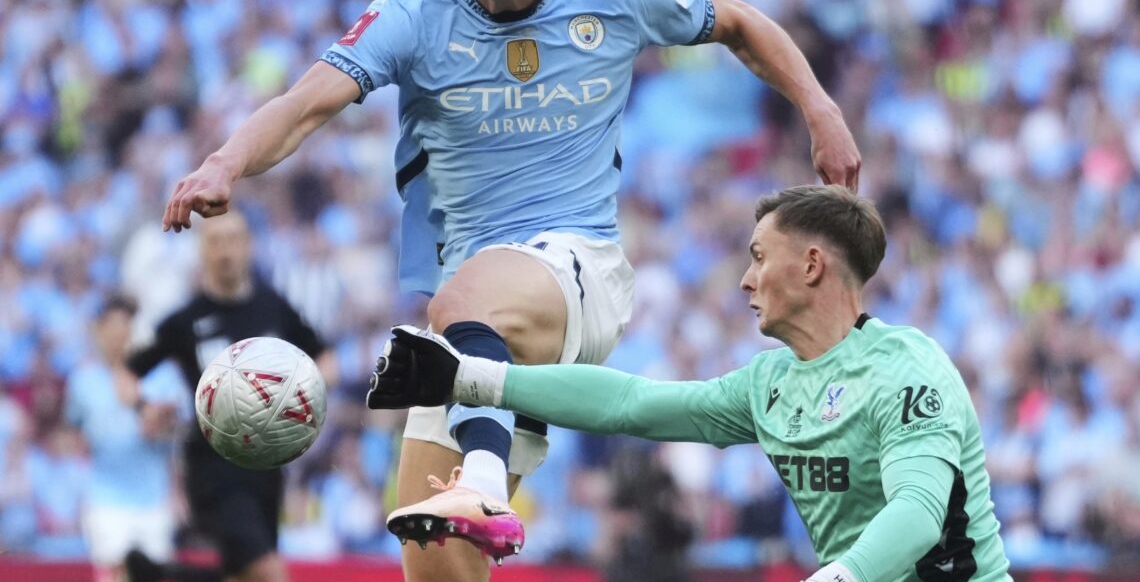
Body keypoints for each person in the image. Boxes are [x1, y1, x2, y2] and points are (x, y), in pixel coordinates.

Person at [159, 0, 860, 581]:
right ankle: (479, 464)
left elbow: (741, 22)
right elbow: (306, 104)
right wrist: (224, 162)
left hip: (577, 268)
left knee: (463, 305)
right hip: (471, 334)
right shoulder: (413, 9)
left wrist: (820, 109)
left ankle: (484, 479)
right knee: (434, 559)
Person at [368, 185, 1013, 582]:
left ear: (812, 265)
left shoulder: (907, 367)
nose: (745, 279)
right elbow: (632, 404)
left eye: (759, 257)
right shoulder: (769, 383)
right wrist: (472, 378)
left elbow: (919, 512)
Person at [122, 211, 333, 582]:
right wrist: (144, 406)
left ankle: (160, 576)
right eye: (215, 242)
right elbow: (125, 371)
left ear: (249, 246)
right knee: (268, 572)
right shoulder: (186, 320)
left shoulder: (273, 307)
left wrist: (301, 396)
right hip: (213, 465)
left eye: (233, 240)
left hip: (267, 466)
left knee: (243, 576)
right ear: (202, 251)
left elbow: (326, 359)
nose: (225, 251)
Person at [65, 294, 181, 582]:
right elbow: (74, 433)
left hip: (154, 495)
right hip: (106, 496)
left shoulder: (161, 375)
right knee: (114, 573)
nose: (119, 335)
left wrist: (159, 424)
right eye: (112, 327)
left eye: (125, 326)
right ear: (99, 330)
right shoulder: (83, 380)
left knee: (155, 574)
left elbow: (180, 432)